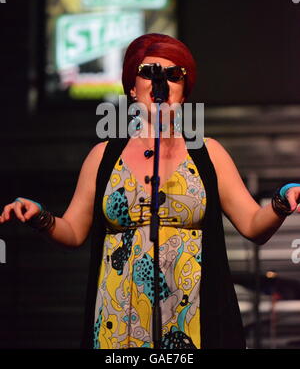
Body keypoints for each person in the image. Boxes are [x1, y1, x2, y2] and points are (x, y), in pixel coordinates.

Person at [1, 33, 300, 350]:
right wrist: (41, 217)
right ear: (132, 87)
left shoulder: (207, 153)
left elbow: (254, 225)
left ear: (184, 93)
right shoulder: (103, 156)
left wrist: (283, 200)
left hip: (193, 323)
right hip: (118, 325)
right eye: (150, 72)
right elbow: (73, 231)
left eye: (174, 75)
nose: (163, 83)